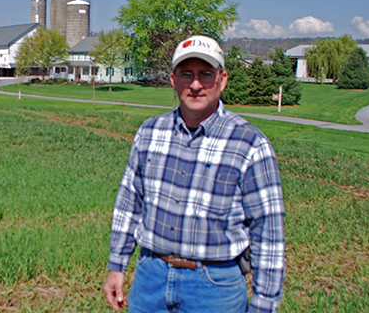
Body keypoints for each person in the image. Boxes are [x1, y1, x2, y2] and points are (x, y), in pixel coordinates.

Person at [103, 35, 285, 313]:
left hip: (214, 286)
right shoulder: (150, 132)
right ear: (174, 80)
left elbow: (268, 231)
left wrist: (264, 304)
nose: (196, 84)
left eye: (206, 74)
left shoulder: (249, 143)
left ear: (222, 80)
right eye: (187, 74)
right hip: (150, 276)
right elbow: (130, 203)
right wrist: (117, 266)